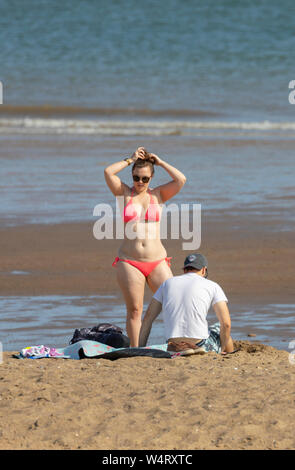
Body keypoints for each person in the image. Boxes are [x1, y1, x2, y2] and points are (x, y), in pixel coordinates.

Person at [104, 146, 186, 347]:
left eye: (145, 179)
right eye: (136, 178)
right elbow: (108, 172)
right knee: (134, 310)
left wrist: (161, 162)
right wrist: (130, 160)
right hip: (130, 262)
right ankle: (136, 349)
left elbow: (181, 180)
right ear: (132, 176)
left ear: (151, 178)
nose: (140, 182)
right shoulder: (123, 193)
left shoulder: (158, 195)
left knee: (173, 302)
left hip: (157, 261)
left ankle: (178, 343)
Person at [139, 253, 234, 354]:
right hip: (199, 343)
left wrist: (139, 349)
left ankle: (180, 348)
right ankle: (227, 355)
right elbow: (226, 324)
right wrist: (222, 348)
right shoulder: (213, 285)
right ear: (203, 270)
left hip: (173, 344)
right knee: (220, 326)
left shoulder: (166, 284)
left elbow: (147, 319)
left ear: (185, 270)